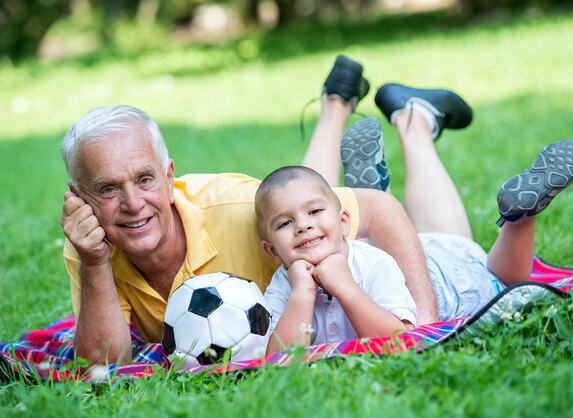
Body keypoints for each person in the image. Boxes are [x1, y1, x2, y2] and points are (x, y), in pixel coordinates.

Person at [59, 57, 440, 364]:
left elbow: (381, 209)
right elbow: (101, 365)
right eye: (107, 189)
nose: (132, 204)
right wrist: (94, 262)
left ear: (169, 175)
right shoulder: (93, 242)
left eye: (145, 180)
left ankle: (413, 119)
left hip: (351, 256)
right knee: (302, 205)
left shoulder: (237, 207)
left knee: (299, 205)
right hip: (310, 263)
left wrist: (425, 330)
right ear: (80, 199)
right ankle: (336, 104)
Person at [303, 56, 573, 322]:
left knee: (293, 204)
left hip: (403, 277)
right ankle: (405, 121)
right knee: (453, 251)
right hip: (448, 274)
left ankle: (520, 219)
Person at [254, 166, 417, 354]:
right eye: (284, 223)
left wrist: (346, 287)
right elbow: (276, 361)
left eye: (314, 211)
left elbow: (402, 345)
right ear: (272, 251)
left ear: (343, 223)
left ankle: (376, 188)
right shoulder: (281, 286)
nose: (302, 225)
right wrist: (302, 293)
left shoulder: (375, 264)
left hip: (443, 276)